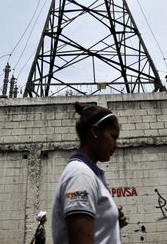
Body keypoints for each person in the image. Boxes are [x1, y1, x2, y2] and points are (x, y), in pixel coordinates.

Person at [51, 102, 128, 244]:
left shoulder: (89, 174)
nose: (116, 144)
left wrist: (111, 223)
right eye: (113, 136)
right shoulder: (81, 176)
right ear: (95, 132)